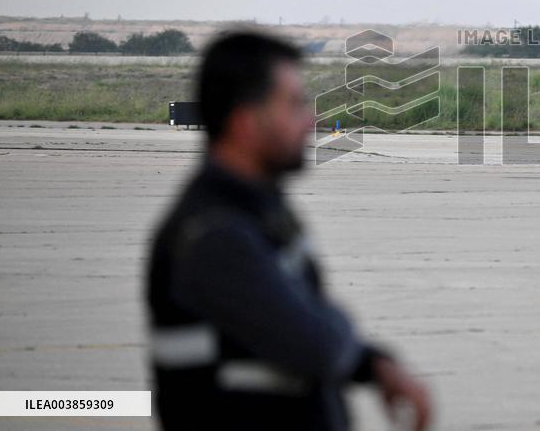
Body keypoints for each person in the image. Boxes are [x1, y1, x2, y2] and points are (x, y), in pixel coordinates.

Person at [146, 31, 432, 431]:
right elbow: (319, 342)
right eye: (294, 105)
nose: (310, 121)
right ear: (246, 122)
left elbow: (304, 324)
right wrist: (342, 329)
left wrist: (374, 364)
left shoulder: (258, 211)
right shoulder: (216, 234)